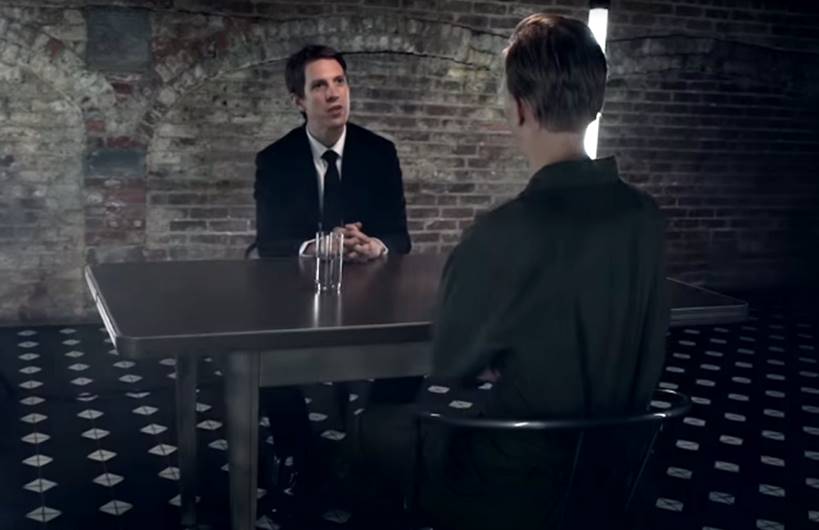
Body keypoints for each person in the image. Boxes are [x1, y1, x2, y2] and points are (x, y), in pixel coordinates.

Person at [351, 13, 669, 530]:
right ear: (596, 104)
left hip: (514, 479)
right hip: (617, 473)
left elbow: (452, 363)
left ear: (519, 108)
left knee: (374, 429)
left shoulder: (502, 231)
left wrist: (503, 356)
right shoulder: (645, 217)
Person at [252, 44, 417, 511]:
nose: (333, 94)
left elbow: (399, 236)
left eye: (340, 82)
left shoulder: (380, 152)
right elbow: (270, 242)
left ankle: (377, 443)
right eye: (319, 86)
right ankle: (296, 452)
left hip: (367, 287)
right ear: (299, 100)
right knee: (262, 348)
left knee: (414, 346)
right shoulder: (275, 159)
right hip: (298, 287)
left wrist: (374, 245)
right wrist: (319, 247)